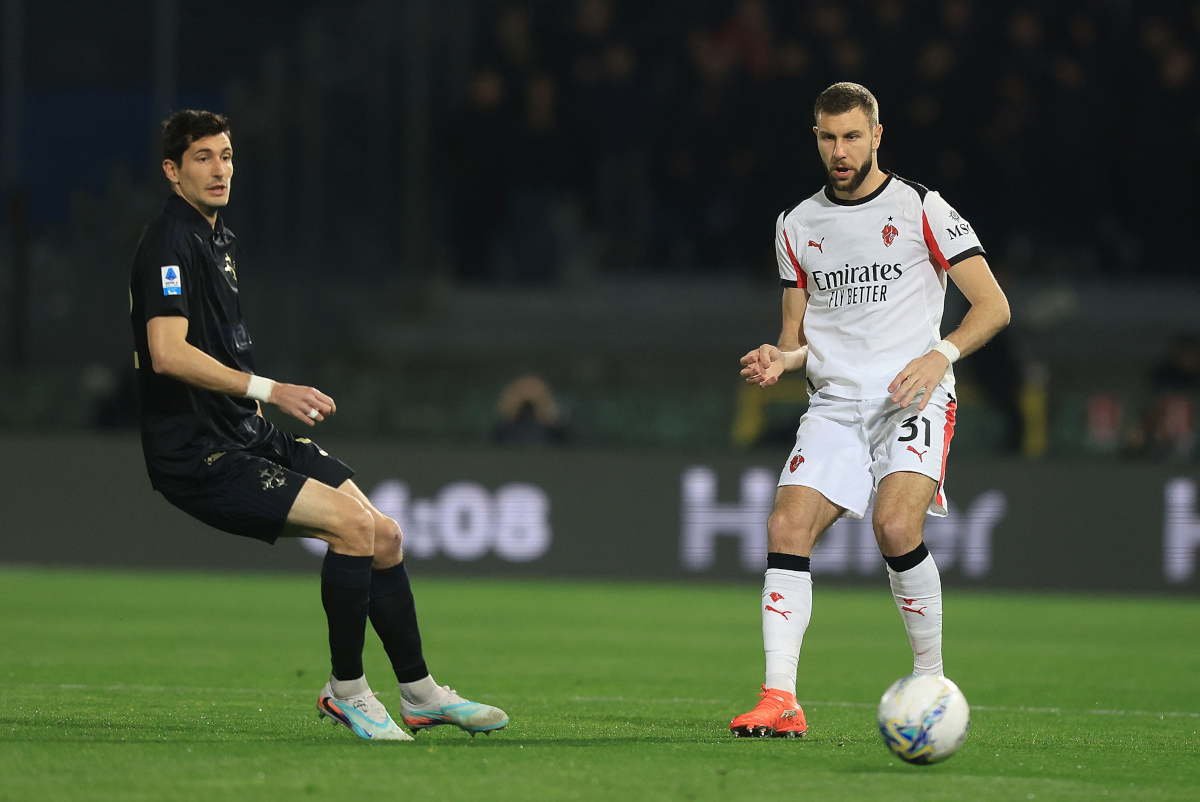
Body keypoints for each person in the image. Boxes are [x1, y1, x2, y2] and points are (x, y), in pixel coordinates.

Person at [130, 110, 507, 741]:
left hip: (244, 433)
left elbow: (218, 347)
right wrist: (269, 388)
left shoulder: (218, 238)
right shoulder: (170, 240)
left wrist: (253, 402)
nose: (219, 168)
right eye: (201, 157)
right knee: (353, 528)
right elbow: (167, 353)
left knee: (384, 535)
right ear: (173, 171)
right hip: (199, 453)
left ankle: (419, 695)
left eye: (225, 154)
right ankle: (348, 692)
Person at [731, 83, 1010, 738]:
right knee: (786, 527)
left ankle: (930, 679)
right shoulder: (796, 226)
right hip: (834, 402)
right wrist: (782, 358)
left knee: (893, 525)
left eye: (852, 136)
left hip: (911, 395)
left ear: (877, 136)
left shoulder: (923, 209)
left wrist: (941, 354)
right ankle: (779, 699)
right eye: (828, 138)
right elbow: (799, 336)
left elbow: (993, 306)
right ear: (817, 139)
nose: (840, 150)